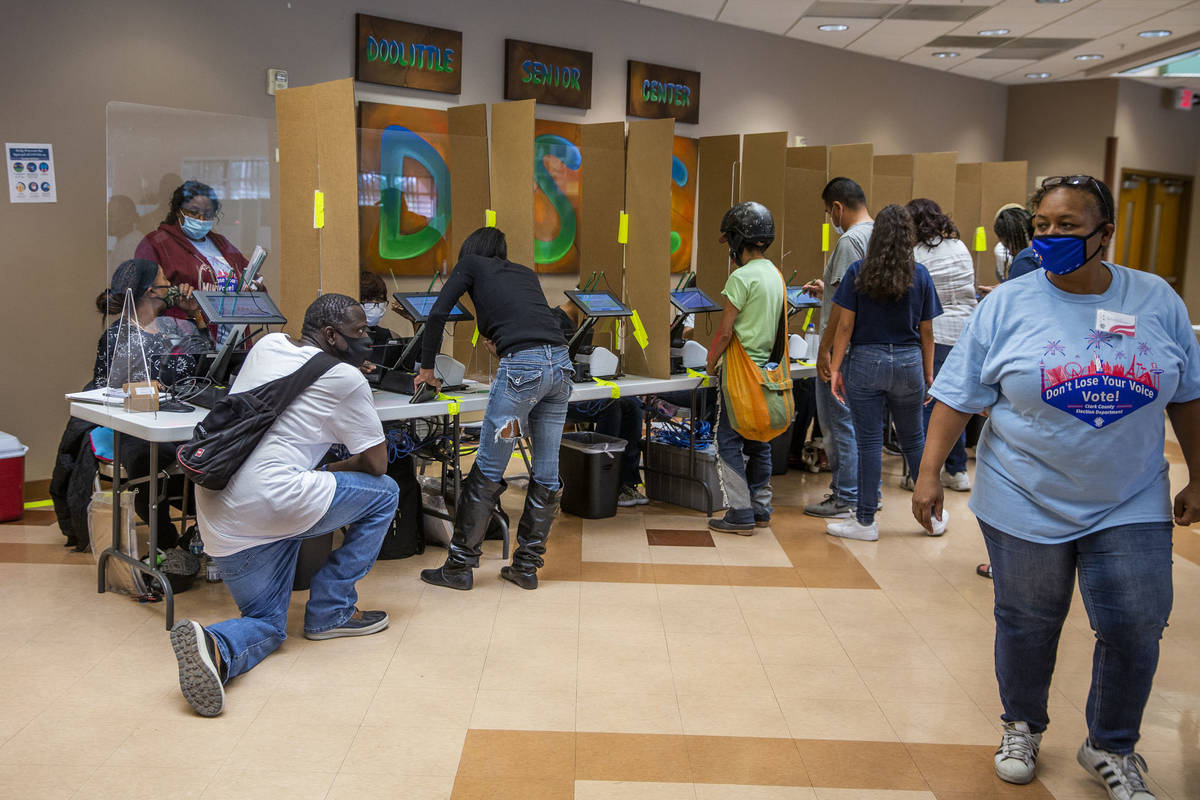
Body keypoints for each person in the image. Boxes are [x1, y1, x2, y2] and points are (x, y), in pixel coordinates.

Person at [912, 175, 1200, 800]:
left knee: (1136, 623)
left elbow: (1189, 396)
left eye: (1067, 226)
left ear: (1106, 234)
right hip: (1024, 492)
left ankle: (1112, 744)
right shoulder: (1007, 304)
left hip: (1130, 495)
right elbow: (957, 397)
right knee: (1027, 621)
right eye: (1042, 225)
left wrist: (1199, 475)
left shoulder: (1156, 301)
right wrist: (930, 471)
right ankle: (1022, 724)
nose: (1050, 237)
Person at [171, 294, 398, 717]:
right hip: (273, 503)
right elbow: (375, 462)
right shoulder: (347, 378)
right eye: (360, 331)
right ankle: (331, 612)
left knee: (268, 624)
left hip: (220, 516)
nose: (369, 338)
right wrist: (329, 465)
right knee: (386, 492)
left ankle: (216, 647)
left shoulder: (267, 346)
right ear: (332, 336)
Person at [417, 227, 573, 591]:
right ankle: (526, 567)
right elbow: (526, 320)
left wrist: (426, 369)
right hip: (560, 372)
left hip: (523, 377)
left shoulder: (471, 264)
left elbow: (438, 313)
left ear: (471, 250)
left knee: (489, 466)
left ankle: (458, 567)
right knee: (547, 472)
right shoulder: (523, 273)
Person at [826, 204, 943, 542]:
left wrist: (835, 368)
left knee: (869, 443)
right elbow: (927, 333)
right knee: (914, 440)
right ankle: (933, 516)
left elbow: (845, 326)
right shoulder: (919, 275)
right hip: (909, 363)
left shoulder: (858, 273)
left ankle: (865, 522)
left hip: (866, 361)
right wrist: (929, 373)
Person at [93, 259, 206, 548]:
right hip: (138, 424)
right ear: (151, 291)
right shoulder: (119, 336)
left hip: (182, 418)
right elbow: (105, 389)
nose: (171, 283)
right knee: (148, 457)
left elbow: (205, 367)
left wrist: (196, 315)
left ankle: (207, 531)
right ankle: (168, 545)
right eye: (164, 278)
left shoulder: (176, 326)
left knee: (216, 449)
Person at [705, 201, 785, 535]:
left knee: (727, 441)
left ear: (738, 239)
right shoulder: (776, 275)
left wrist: (710, 362)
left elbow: (725, 332)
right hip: (768, 372)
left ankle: (739, 512)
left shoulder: (741, 277)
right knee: (759, 440)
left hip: (739, 374)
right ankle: (762, 508)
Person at [802, 178, 873, 519]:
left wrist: (826, 351)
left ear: (838, 208)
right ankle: (865, 494)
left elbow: (845, 308)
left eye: (829, 212)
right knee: (862, 426)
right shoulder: (880, 237)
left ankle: (844, 496)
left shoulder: (849, 241)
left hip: (842, 349)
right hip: (869, 346)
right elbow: (857, 293)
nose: (830, 218)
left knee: (837, 423)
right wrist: (825, 290)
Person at [905, 197, 976, 492]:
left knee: (927, 407)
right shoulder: (959, 246)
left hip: (938, 335)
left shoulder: (918, 255)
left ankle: (920, 474)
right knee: (954, 404)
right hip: (967, 335)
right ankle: (957, 471)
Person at [554, 299, 648, 507]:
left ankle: (626, 482)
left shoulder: (585, 321)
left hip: (586, 389)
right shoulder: (556, 321)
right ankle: (604, 480)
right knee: (611, 405)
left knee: (631, 404)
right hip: (561, 395)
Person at [135, 180, 251, 326]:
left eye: (207, 214)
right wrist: (177, 295)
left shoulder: (221, 244)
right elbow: (144, 294)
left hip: (234, 334)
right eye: (194, 212)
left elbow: (248, 276)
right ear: (179, 211)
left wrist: (253, 286)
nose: (201, 219)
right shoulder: (157, 243)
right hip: (185, 335)